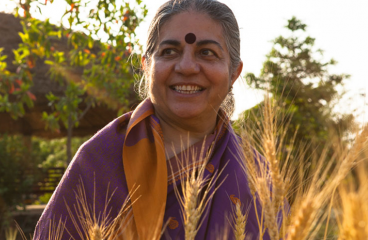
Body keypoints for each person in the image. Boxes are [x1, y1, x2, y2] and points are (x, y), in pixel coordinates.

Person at [34, 0, 270, 239]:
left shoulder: (259, 176)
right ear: (146, 66)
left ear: (234, 73)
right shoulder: (98, 162)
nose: (187, 67)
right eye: (169, 52)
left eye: (207, 53)